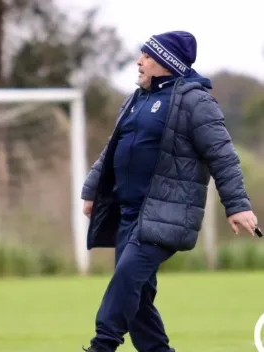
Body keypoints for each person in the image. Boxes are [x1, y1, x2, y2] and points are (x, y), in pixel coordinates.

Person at [80, 31, 259, 352]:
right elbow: (112, 149)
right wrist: (92, 188)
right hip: (128, 213)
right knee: (139, 299)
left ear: (166, 62)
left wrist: (237, 205)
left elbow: (223, 155)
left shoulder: (196, 101)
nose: (139, 61)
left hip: (166, 212)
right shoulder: (136, 98)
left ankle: (102, 345)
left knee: (126, 280)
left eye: (147, 56)